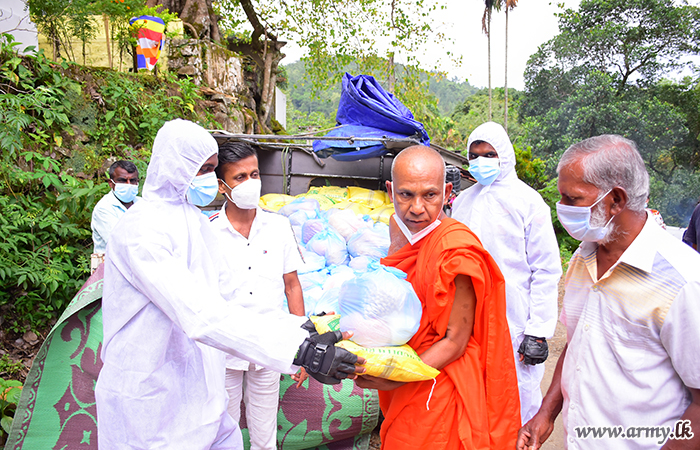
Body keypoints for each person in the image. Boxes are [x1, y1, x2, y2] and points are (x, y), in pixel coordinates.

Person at [95, 119, 364, 450]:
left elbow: (223, 302)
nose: (208, 178)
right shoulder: (141, 231)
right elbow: (199, 313)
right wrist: (298, 350)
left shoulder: (193, 222)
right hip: (149, 397)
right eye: (203, 169)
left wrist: (298, 331)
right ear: (175, 168)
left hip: (199, 386)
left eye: (212, 169)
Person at [517, 135, 700, 450]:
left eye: (571, 199)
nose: (561, 208)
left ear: (615, 199)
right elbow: (578, 345)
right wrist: (546, 413)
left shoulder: (682, 280)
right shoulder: (583, 256)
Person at [355, 145, 521, 450]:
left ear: (446, 193)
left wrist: (399, 377)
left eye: (429, 195)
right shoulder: (398, 227)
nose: (417, 207)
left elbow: (455, 341)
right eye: (406, 195)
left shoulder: (456, 249)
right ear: (390, 190)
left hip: (439, 381)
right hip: (405, 369)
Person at [450, 122, 562, 424]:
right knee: (474, 394)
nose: (481, 162)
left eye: (489, 154)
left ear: (505, 155)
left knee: (519, 397)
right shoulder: (463, 201)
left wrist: (538, 330)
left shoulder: (528, 202)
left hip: (514, 320)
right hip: (468, 316)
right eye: (474, 156)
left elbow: (546, 269)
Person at [209, 141, 307, 450]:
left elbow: (292, 285)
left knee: (265, 437)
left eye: (254, 174)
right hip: (223, 351)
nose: (250, 183)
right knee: (221, 432)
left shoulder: (278, 227)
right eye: (240, 177)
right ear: (222, 186)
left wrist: (301, 342)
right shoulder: (206, 232)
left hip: (268, 346)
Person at [90, 160, 140, 272]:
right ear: (111, 183)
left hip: (137, 269)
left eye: (132, 180)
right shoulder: (104, 209)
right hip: (111, 270)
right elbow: (120, 243)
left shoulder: (143, 204)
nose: (128, 185)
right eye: (122, 180)